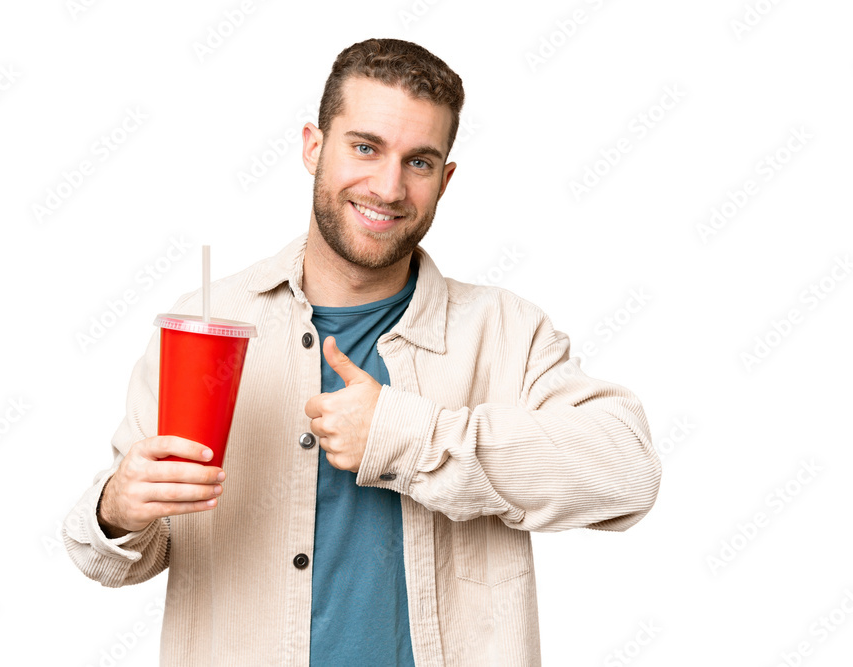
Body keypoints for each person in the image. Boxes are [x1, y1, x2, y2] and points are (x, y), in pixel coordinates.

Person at [63, 37, 661, 666]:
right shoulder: (209, 319)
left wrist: (408, 435)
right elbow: (110, 559)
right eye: (366, 148)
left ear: (445, 179)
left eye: (420, 162)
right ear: (313, 147)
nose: (388, 186)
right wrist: (116, 509)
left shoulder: (504, 330)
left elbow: (629, 473)